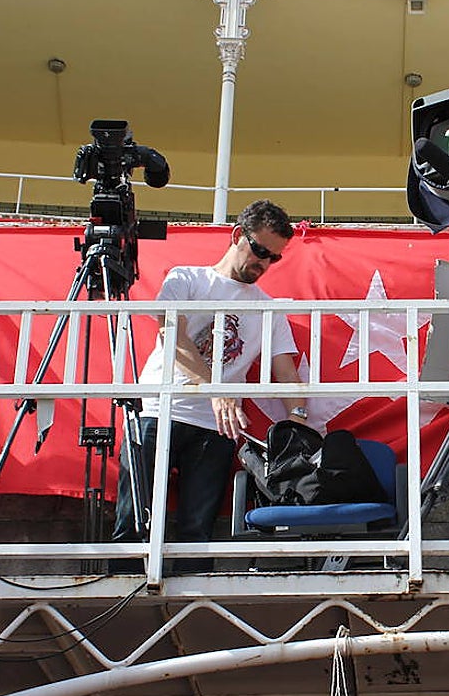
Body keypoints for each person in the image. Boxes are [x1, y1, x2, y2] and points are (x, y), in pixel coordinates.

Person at [112, 199, 309, 570]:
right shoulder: (186, 279)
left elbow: (285, 369)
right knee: (133, 522)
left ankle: (190, 611)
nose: (264, 263)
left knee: (197, 532)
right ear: (237, 236)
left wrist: (300, 425)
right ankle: (125, 605)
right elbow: (172, 334)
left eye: (274, 258)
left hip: (215, 428)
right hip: (159, 411)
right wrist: (215, 390)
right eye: (260, 251)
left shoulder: (269, 306)